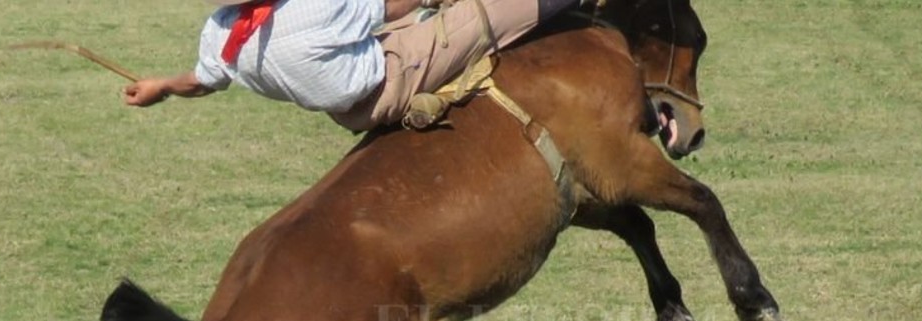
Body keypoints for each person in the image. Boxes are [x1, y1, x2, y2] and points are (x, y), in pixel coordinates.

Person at [124, 0, 586, 131]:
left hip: (351, 109)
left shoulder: (220, 34)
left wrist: (161, 86)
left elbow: (202, 80)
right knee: (493, 11)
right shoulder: (307, 10)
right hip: (395, 75)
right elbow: (395, 7)